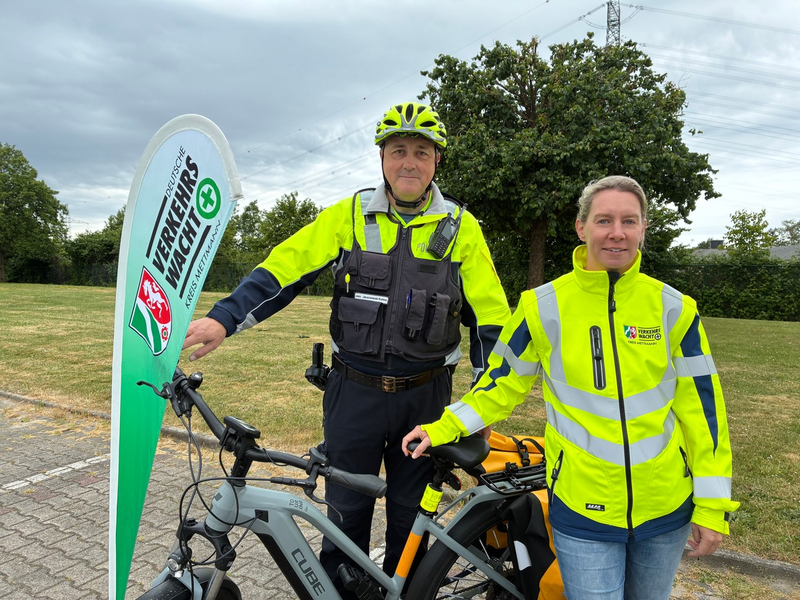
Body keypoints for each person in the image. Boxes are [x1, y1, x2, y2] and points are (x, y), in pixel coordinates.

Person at [183, 101, 510, 596]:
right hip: (352, 393)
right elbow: (282, 271)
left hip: (426, 400)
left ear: (436, 162)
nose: (409, 162)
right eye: (398, 150)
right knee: (345, 511)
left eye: (421, 152)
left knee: (409, 516)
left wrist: (483, 402)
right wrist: (225, 319)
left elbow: (492, 324)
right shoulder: (348, 217)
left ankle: (404, 591)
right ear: (381, 157)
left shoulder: (462, 230)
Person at [402, 175, 739, 600]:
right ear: (582, 228)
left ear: (643, 228)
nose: (616, 233)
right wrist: (444, 427)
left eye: (629, 221)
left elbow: (704, 413)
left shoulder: (675, 308)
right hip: (582, 512)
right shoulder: (541, 306)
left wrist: (711, 505)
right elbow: (499, 385)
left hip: (666, 510)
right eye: (604, 220)